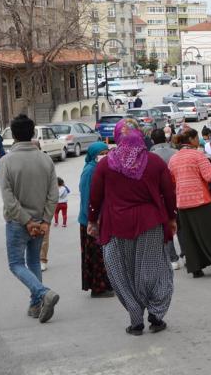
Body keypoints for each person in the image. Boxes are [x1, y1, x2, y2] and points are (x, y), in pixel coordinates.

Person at [88, 119, 178, 335]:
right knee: (156, 269)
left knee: (123, 272)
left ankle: (136, 320)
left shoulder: (105, 164)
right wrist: (172, 217)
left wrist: (92, 220)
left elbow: (95, 196)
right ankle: (156, 316)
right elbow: (168, 192)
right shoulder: (154, 162)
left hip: (117, 224)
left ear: (117, 138)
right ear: (140, 136)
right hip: (151, 223)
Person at [0, 114, 60, 322]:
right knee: (33, 260)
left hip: (18, 222)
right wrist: (44, 220)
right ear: (32, 133)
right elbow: (54, 195)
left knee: (15, 263)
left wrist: (26, 220)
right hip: (39, 221)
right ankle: (36, 304)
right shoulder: (45, 159)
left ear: (13, 136)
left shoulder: (6, 161)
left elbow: (8, 198)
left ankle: (42, 294)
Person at [167, 128, 211, 278]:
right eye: (196, 138)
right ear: (192, 139)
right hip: (200, 201)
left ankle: (196, 269)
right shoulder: (197, 155)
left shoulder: (173, 159)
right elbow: (210, 176)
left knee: (190, 237)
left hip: (182, 203)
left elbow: (172, 182)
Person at [78, 142, 113, 297]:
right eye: (102, 153)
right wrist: (93, 221)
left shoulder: (100, 168)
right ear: (93, 155)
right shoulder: (90, 171)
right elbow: (87, 199)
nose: (105, 156)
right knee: (96, 255)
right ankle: (98, 289)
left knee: (103, 254)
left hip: (100, 218)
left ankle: (105, 284)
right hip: (91, 221)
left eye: (107, 152)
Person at [149, 129, 182, 270]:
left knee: (167, 226)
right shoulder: (176, 154)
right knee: (181, 224)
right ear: (166, 138)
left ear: (152, 141)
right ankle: (186, 253)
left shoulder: (150, 157)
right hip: (179, 193)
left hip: (161, 196)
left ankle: (173, 258)